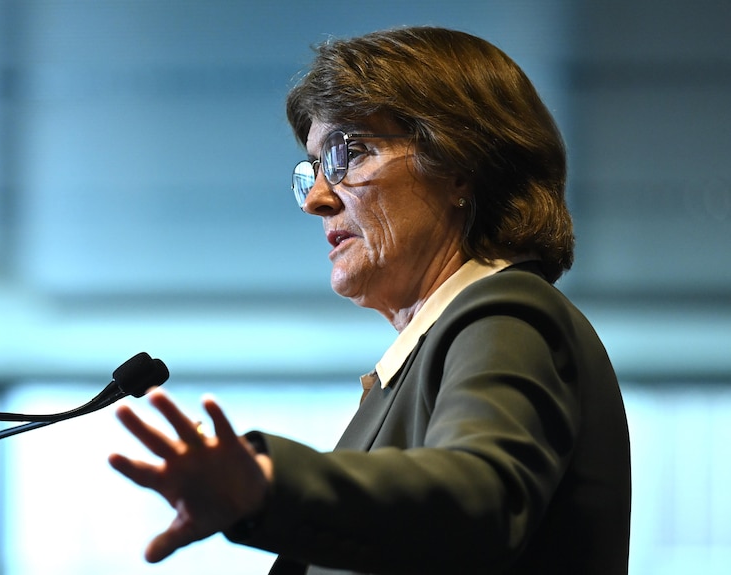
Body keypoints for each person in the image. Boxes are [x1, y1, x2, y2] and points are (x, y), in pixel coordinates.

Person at [108, 26, 631, 574]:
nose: (315, 199)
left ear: (461, 167)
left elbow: (478, 500)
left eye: (349, 153)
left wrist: (264, 484)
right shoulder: (425, 359)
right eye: (313, 167)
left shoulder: (506, 311)